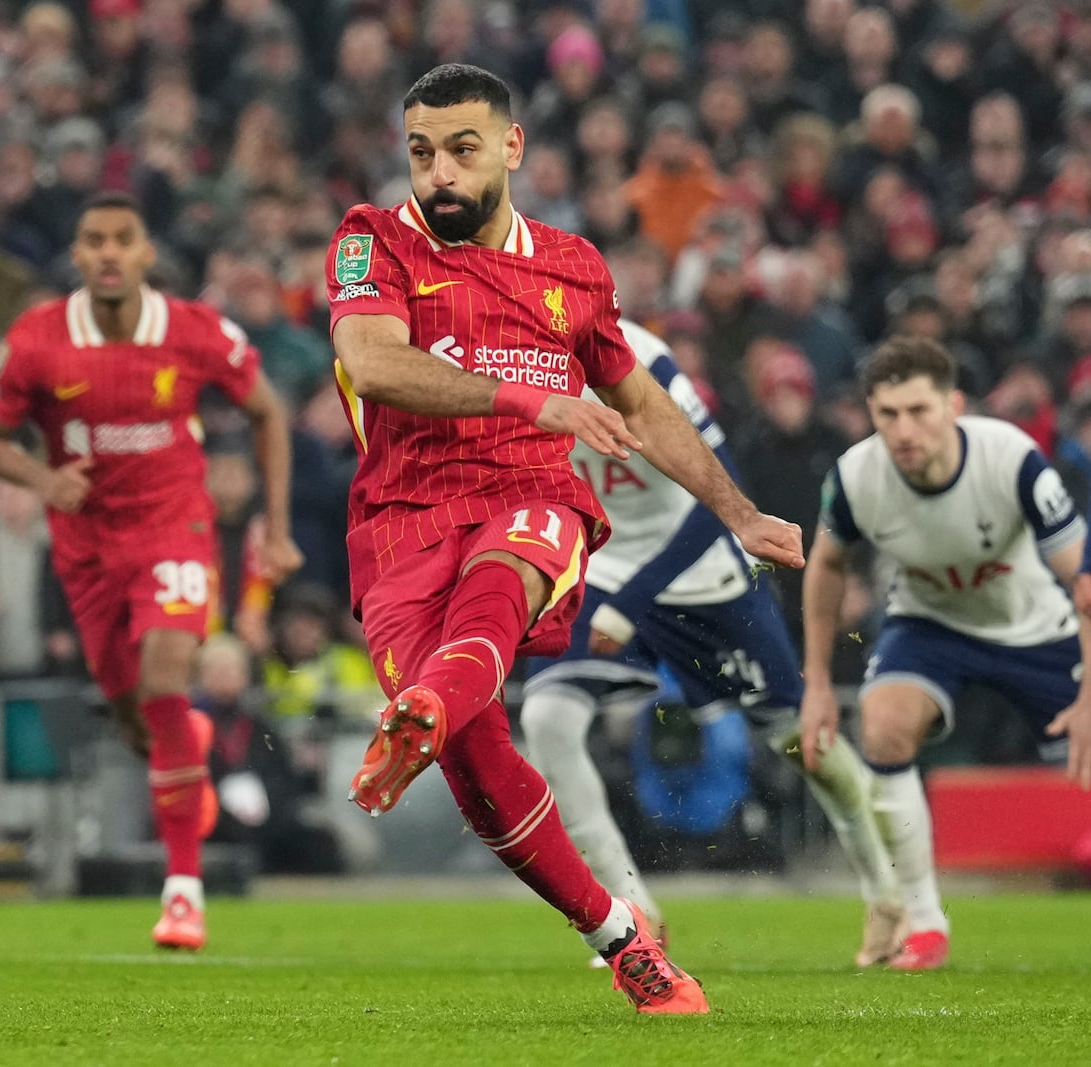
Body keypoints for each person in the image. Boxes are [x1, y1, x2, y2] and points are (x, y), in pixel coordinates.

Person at [325, 64, 802, 1014]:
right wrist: (531, 394)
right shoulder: (370, 240)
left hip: (530, 497)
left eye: (461, 150)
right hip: (400, 521)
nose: (439, 175)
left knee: (513, 568)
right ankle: (624, 938)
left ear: (512, 147)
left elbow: (641, 402)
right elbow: (371, 364)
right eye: (421, 153)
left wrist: (736, 510)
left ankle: (426, 703)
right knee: (478, 767)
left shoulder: (575, 266)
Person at [0, 191, 303, 952]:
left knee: (162, 681)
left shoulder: (193, 330)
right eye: (95, 240)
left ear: (147, 251)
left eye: (125, 239)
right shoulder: (35, 339)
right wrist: (41, 478)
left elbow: (267, 412)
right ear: (79, 256)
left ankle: (182, 891)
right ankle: (180, 744)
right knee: (135, 716)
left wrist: (278, 529)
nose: (110, 253)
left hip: (173, 530)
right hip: (87, 548)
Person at [519, 319, 900, 968]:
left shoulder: (643, 360)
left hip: (700, 571)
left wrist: (632, 604)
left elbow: (715, 500)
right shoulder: (502, 365)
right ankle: (631, 912)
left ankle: (890, 890)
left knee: (799, 737)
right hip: (605, 564)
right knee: (546, 715)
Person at [801, 337, 1091, 972]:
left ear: (953, 405)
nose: (904, 430)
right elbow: (825, 566)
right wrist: (818, 682)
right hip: (929, 624)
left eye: (919, 411)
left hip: (1036, 626)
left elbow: (1085, 582)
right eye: (888, 415)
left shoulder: (1012, 459)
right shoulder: (854, 477)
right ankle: (925, 924)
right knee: (882, 723)